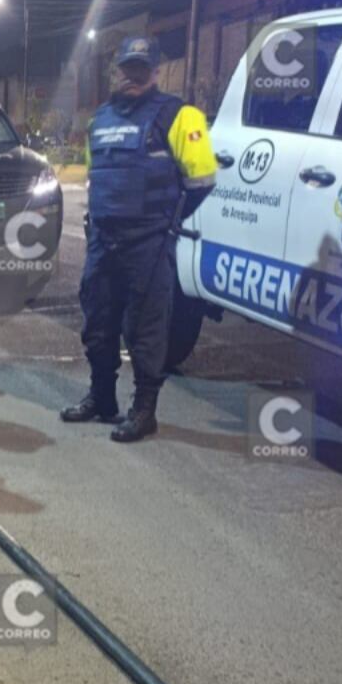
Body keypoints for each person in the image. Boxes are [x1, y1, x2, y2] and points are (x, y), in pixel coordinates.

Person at [60, 36, 217, 442]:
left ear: (156, 72)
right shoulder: (102, 120)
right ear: (116, 72)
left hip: (149, 241)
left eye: (142, 69)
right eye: (127, 69)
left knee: (146, 329)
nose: (133, 76)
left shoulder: (179, 116)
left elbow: (201, 182)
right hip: (103, 238)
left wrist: (166, 221)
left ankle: (144, 411)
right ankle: (101, 398)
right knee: (97, 321)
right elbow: (97, 178)